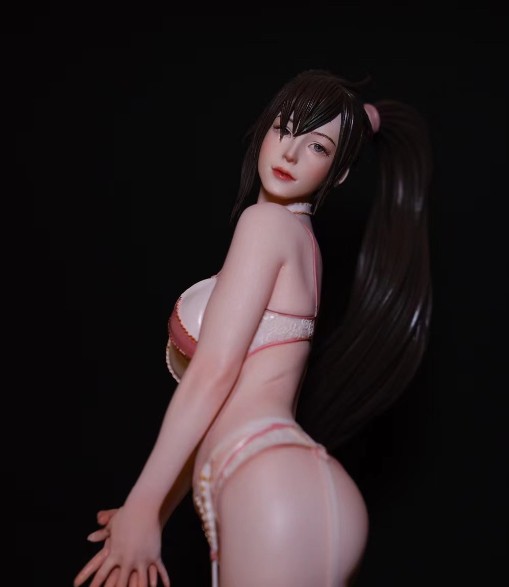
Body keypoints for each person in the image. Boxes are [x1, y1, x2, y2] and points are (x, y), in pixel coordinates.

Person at [73, 68, 433, 587]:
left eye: (318, 147)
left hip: (265, 482)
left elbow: (214, 374)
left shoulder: (265, 226)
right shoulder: (303, 244)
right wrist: (155, 511)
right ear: (264, 129)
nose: (290, 153)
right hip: (291, 480)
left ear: (339, 174)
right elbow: (227, 401)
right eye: (285, 128)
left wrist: (143, 505)